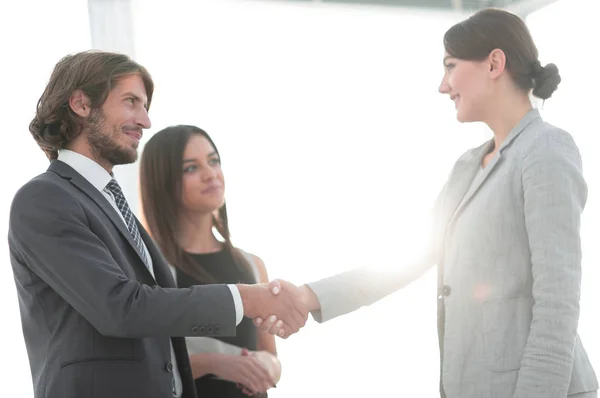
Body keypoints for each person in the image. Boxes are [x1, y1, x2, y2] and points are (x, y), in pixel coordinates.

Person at [256, 8, 599, 398]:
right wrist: (308, 296)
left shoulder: (546, 149)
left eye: (451, 66)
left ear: (494, 63)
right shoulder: (469, 166)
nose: (443, 85)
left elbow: (558, 304)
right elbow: (410, 257)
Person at [8, 50, 307, 398]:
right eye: (131, 102)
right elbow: (121, 308)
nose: (145, 121)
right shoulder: (45, 199)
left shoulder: (114, 207)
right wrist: (245, 299)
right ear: (81, 104)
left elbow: (159, 326)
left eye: (145, 106)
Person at [139, 125, 281, 397]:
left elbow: (271, 356)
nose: (210, 174)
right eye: (191, 168)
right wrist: (214, 363)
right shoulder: (152, 268)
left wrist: (266, 367)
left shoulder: (252, 265)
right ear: (163, 181)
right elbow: (145, 368)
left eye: (213, 161)